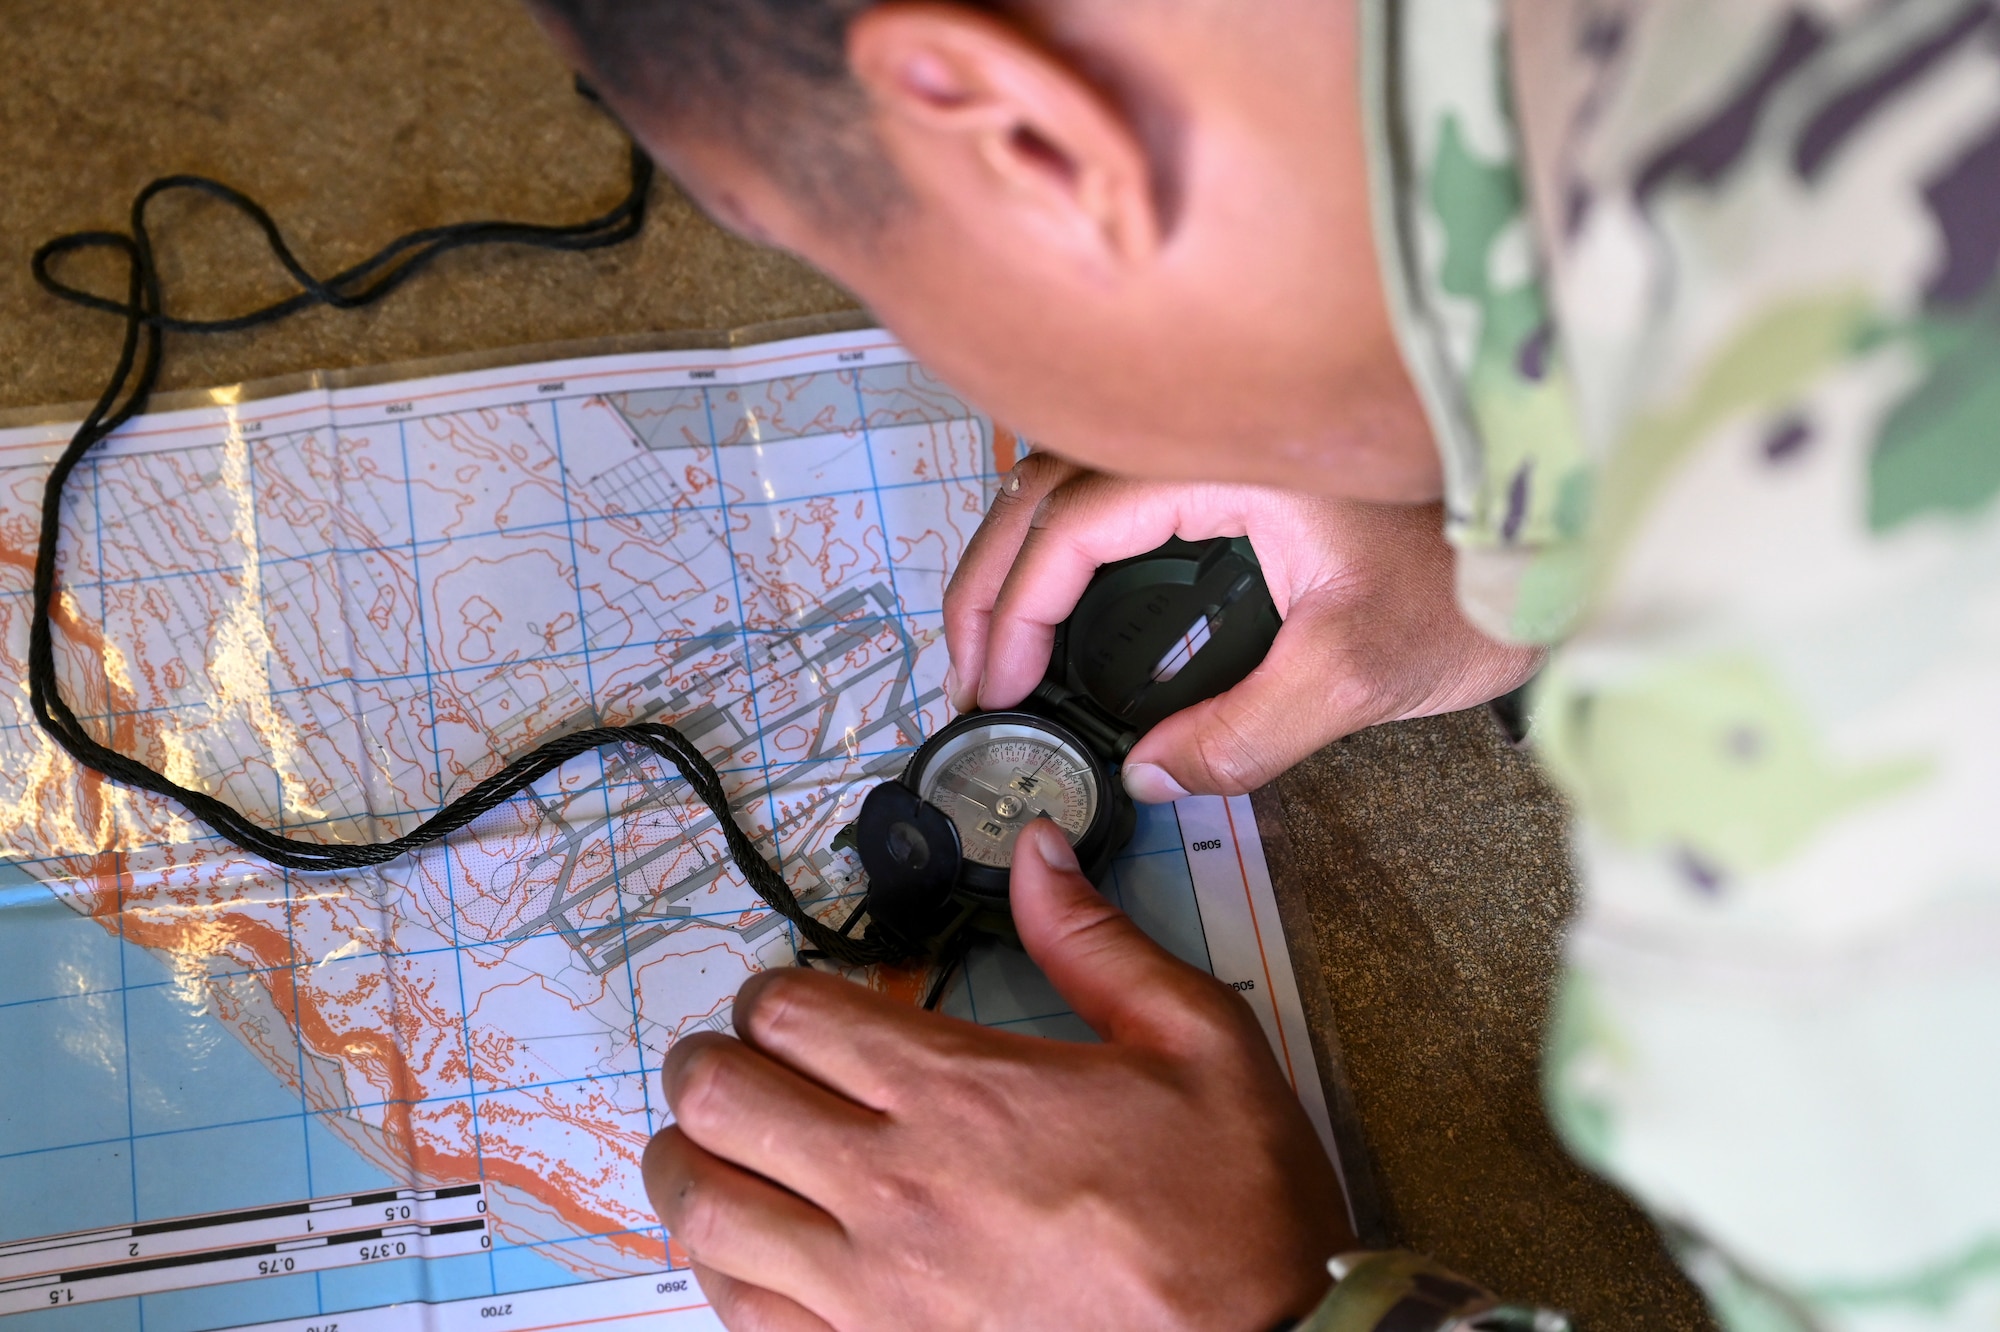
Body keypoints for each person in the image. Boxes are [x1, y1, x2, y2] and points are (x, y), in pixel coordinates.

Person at [528, 1, 2000, 1328]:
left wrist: (1252, 1316)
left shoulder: (1835, 837)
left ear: (1028, 139)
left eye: (832, 249)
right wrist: (1518, 504)